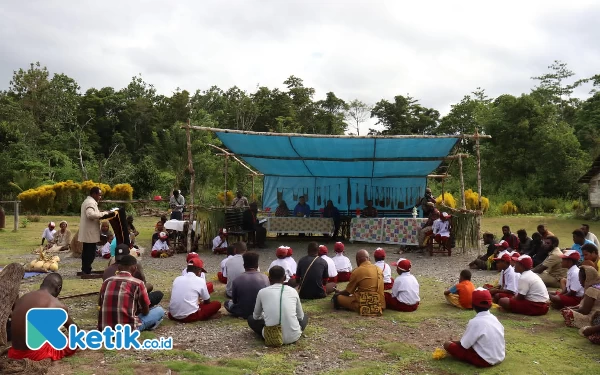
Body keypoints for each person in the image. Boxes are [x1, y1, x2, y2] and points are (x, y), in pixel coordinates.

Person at [8, 273, 78, 361]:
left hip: (14, 352)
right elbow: (75, 331)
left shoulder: (23, 298)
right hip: (34, 354)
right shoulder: (57, 305)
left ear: (41, 285)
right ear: (58, 288)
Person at [98, 255, 165, 331]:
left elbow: (100, 304)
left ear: (119, 267)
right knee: (159, 310)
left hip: (104, 329)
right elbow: (145, 311)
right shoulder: (138, 283)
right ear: (134, 268)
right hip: (128, 329)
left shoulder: (107, 282)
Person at [443, 289, 505, 368]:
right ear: (490, 305)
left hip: (485, 360)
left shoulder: (475, 322)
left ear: (473, 305)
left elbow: (464, 345)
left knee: (447, 345)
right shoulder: (494, 318)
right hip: (500, 356)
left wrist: (453, 342)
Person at [248, 266, 308, 345]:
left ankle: (270, 334)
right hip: (293, 337)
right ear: (284, 278)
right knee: (305, 317)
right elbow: (300, 317)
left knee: (251, 319)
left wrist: (265, 316)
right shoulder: (292, 291)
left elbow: (256, 317)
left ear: (269, 279)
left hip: (272, 336)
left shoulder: (262, 292)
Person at [168, 258, 221, 322]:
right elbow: (207, 301)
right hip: (189, 316)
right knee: (217, 304)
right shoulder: (200, 280)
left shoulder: (177, 279)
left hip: (172, 315)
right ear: (198, 270)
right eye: (201, 271)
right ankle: (208, 315)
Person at [79, 187, 114, 275]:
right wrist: (104, 214)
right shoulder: (90, 202)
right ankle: (86, 270)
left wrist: (102, 212)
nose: (100, 197)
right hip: (90, 232)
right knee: (90, 253)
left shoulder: (88, 201)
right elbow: (90, 214)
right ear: (94, 194)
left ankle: (86, 269)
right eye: (99, 195)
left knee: (87, 251)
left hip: (88, 232)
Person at [225, 252, 270, 318]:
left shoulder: (237, 279)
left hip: (242, 312)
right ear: (257, 266)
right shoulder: (265, 278)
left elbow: (234, 301)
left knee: (227, 303)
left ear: (244, 266)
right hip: (260, 311)